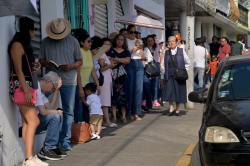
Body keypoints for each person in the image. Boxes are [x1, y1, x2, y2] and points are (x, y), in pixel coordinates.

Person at [8, 17, 49, 166]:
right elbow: (18, 69)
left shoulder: (23, 45)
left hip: (27, 85)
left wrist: (35, 69)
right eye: (34, 30)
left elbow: (25, 68)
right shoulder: (17, 45)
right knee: (34, 120)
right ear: (29, 30)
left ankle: (30, 156)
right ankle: (28, 158)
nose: (35, 33)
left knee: (27, 121)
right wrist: (25, 89)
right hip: (21, 86)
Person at [40, 18, 82, 151]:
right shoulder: (45, 42)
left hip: (69, 79)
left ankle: (64, 141)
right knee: (45, 108)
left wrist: (71, 66)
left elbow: (80, 61)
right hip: (50, 81)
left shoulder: (73, 41)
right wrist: (47, 63)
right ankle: (49, 138)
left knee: (68, 111)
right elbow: (41, 60)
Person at [36, 72, 66, 161]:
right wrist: (56, 112)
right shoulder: (36, 88)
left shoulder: (41, 92)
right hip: (26, 125)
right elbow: (43, 112)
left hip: (35, 122)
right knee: (55, 116)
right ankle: (47, 149)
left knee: (57, 115)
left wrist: (57, 90)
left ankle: (53, 146)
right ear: (48, 82)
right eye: (53, 88)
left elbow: (50, 107)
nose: (51, 91)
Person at [74, 30, 99, 124]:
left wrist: (97, 85)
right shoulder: (79, 52)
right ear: (81, 42)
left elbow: (92, 70)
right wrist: (80, 88)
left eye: (91, 41)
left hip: (87, 86)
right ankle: (79, 132)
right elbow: (78, 72)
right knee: (79, 109)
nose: (90, 43)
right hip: (79, 85)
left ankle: (87, 131)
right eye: (88, 41)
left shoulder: (88, 52)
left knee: (87, 109)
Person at [161, 36, 190, 116]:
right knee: (170, 91)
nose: (171, 43)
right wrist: (164, 73)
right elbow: (162, 64)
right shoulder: (166, 52)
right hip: (169, 75)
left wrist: (183, 71)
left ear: (177, 42)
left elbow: (188, 62)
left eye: (173, 41)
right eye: (169, 41)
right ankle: (171, 107)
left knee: (178, 91)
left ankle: (177, 108)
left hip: (179, 76)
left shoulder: (181, 51)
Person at [107, 34, 131, 123]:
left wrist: (116, 59)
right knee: (113, 96)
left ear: (124, 41)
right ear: (115, 40)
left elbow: (127, 60)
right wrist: (121, 60)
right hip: (112, 75)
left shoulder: (126, 51)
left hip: (123, 76)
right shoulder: (111, 50)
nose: (120, 41)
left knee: (123, 96)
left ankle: (124, 116)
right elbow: (109, 60)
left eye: (122, 40)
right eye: (118, 39)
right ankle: (114, 116)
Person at [126, 24, 145, 120]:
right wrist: (133, 49)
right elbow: (125, 54)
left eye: (135, 32)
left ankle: (137, 112)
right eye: (131, 32)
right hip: (130, 63)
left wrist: (139, 47)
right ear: (127, 32)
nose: (133, 34)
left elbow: (143, 56)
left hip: (139, 63)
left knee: (139, 89)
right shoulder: (125, 41)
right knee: (131, 88)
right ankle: (129, 111)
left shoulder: (139, 41)